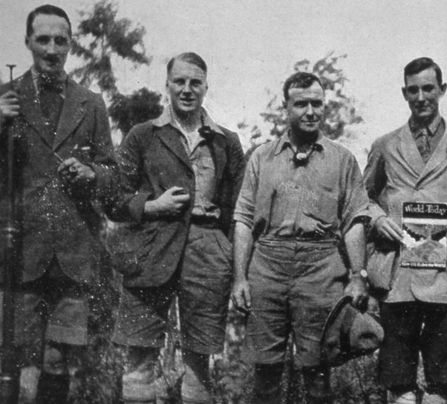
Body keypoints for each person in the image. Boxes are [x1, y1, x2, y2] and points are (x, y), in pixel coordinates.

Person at [108, 52, 245, 404]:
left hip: (207, 252)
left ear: (205, 87)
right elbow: (113, 200)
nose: (187, 89)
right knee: (139, 360)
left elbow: (238, 208)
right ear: (167, 85)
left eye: (195, 83)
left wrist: (228, 256)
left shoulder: (225, 141)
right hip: (151, 249)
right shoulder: (143, 136)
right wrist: (153, 206)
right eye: (180, 82)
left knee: (199, 364)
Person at [0, 4, 117, 403]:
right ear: (28, 42)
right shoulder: (5, 99)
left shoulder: (91, 103)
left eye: (60, 41)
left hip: (72, 250)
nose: (52, 49)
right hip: (21, 249)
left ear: (70, 45)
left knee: (57, 360)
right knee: (19, 360)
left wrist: (92, 175)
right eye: (43, 39)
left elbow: (113, 175)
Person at [231, 71, 370, 404]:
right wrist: (239, 278)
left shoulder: (342, 160)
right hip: (268, 266)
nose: (311, 111)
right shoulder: (262, 158)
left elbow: (355, 221)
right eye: (302, 104)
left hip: (320, 268)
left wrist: (357, 275)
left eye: (317, 104)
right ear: (286, 108)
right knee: (265, 374)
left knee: (318, 373)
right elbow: (243, 220)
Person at [363, 57, 447, 404]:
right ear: (404, 93)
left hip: (445, 274)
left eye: (428, 88)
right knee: (398, 381)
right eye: (413, 89)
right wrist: (378, 219)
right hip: (398, 273)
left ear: (441, 90)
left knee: (443, 384)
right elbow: (363, 198)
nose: (421, 97)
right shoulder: (385, 146)